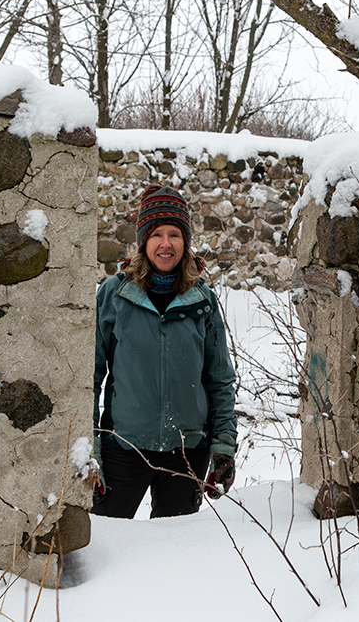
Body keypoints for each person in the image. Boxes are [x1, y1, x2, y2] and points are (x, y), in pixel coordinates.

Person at [92, 184, 237, 519]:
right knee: (107, 547)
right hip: (123, 447)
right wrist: (92, 447)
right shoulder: (115, 294)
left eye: (175, 234)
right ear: (144, 241)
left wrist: (224, 445)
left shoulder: (202, 299)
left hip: (187, 452)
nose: (166, 244)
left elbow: (219, 378)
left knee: (175, 557)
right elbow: (91, 375)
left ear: (186, 242)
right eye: (157, 234)